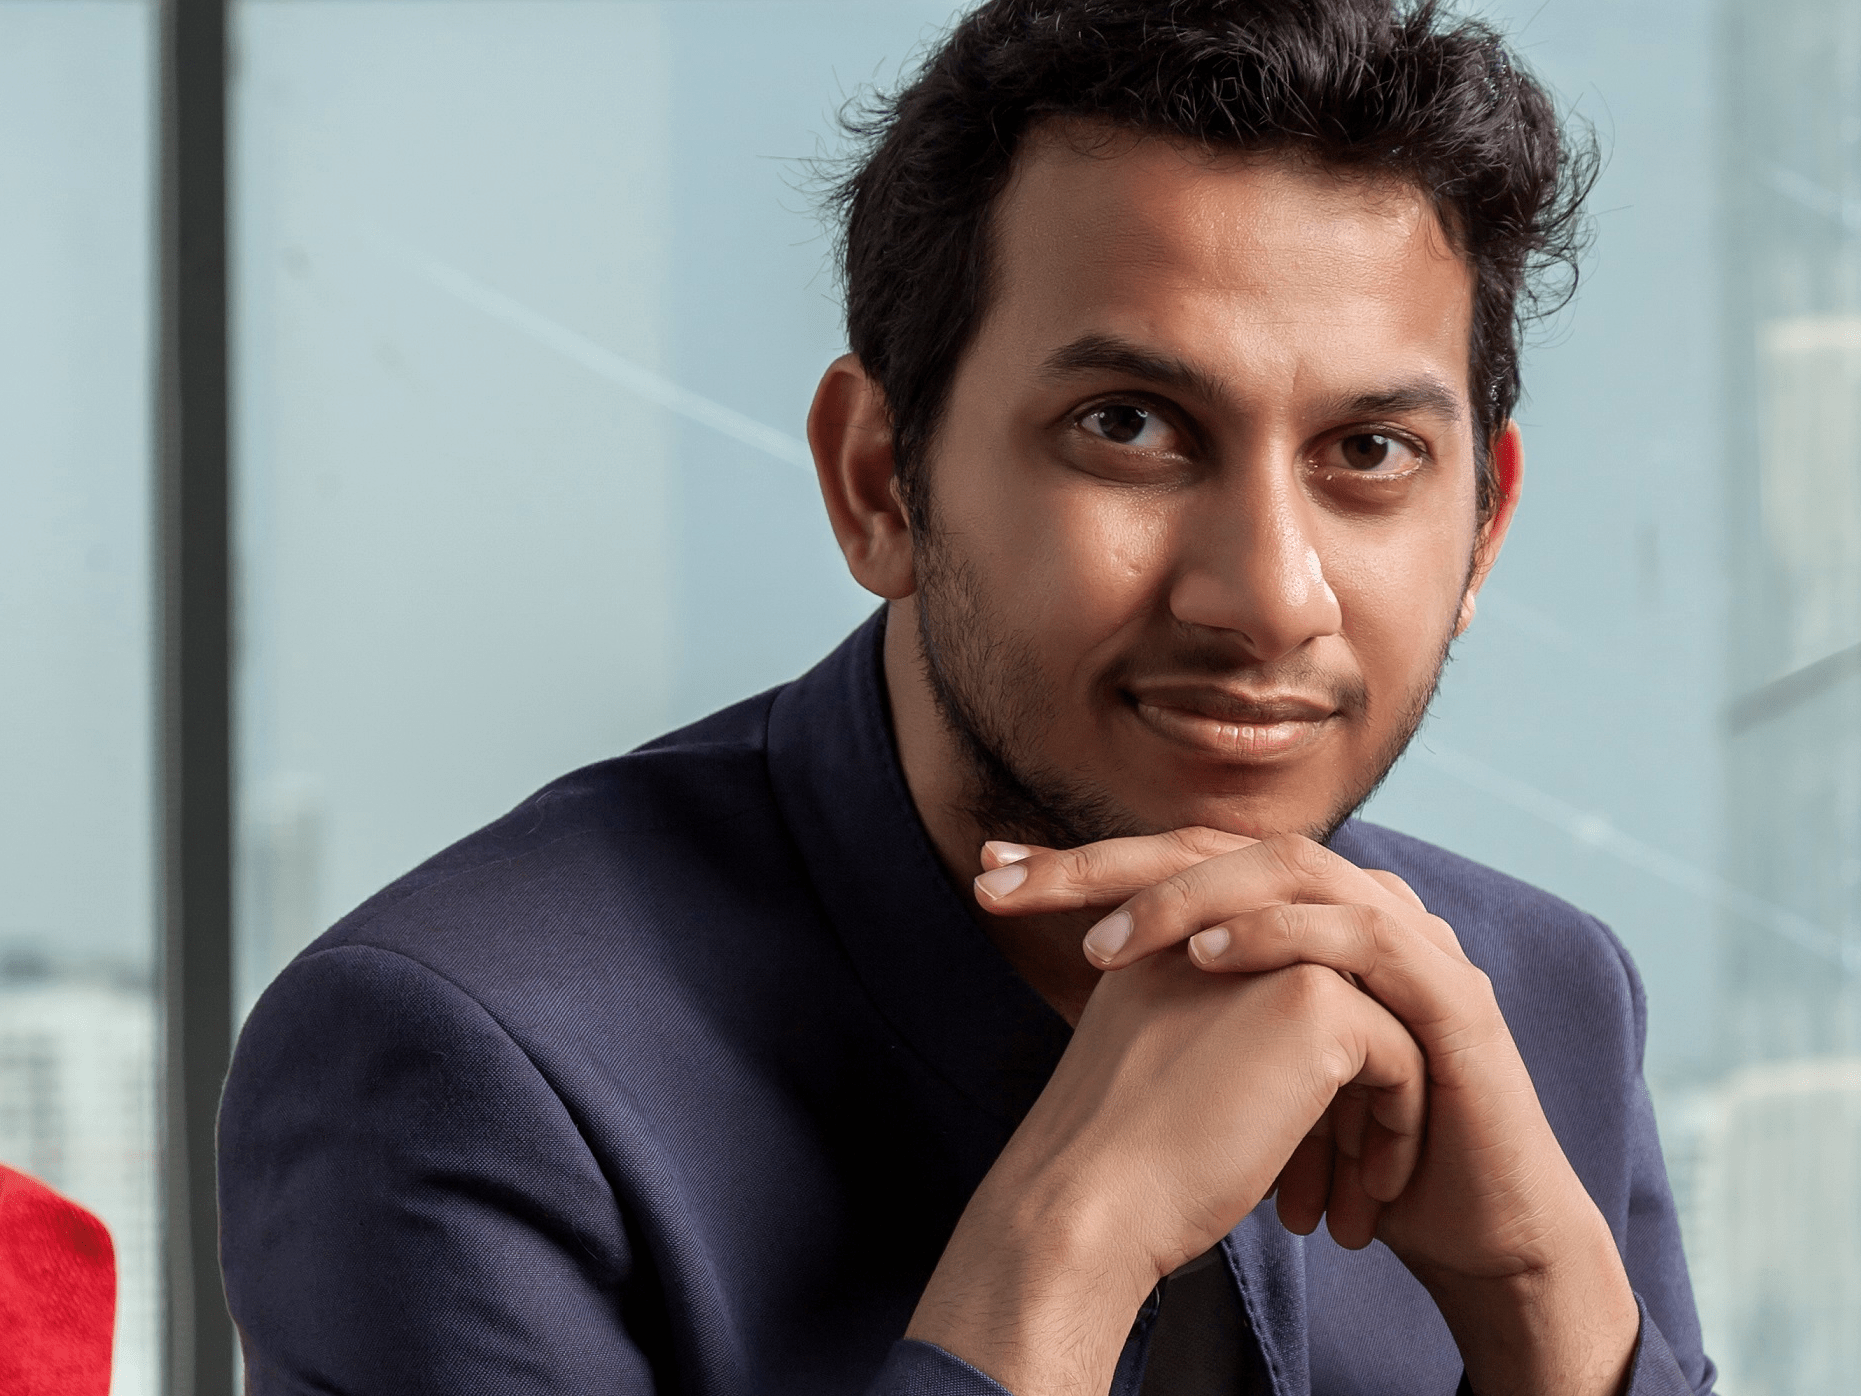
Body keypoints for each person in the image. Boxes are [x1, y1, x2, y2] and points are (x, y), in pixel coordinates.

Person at [217, 1, 1717, 1392]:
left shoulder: (1546, 1005)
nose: (1269, 596)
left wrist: (1544, 1295)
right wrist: (1072, 1239)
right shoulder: (459, 1069)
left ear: (1483, 531)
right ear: (880, 481)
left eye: (1370, 453)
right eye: (1128, 427)